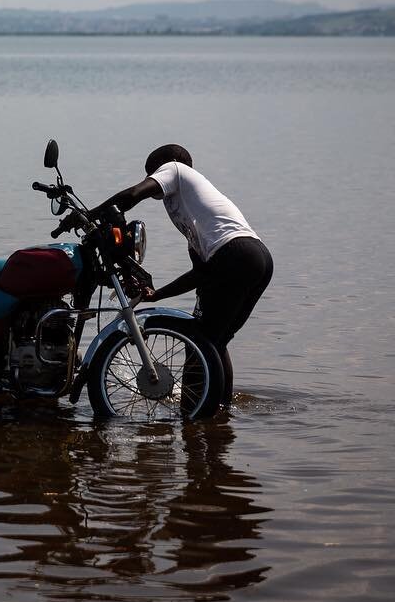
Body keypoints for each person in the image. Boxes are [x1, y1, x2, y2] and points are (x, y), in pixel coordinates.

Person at [95, 144, 273, 407]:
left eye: (152, 172)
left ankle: (195, 412)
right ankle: (219, 412)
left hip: (235, 255)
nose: (151, 178)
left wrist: (92, 215)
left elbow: (132, 196)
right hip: (256, 258)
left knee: (200, 342)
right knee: (214, 341)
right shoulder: (192, 211)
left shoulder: (177, 169)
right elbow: (200, 274)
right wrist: (157, 294)